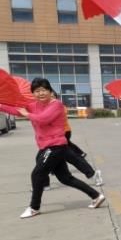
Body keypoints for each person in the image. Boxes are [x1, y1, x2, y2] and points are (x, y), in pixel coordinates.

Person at [0, 78, 105, 218]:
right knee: (65, 178)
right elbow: (16, 111)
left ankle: (34, 207)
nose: (41, 93)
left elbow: (44, 119)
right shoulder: (33, 105)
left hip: (55, 145)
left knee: (37, 174)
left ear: (50, 91)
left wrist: (27, 114)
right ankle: (96, 195)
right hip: (47, 146)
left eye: (44, 90)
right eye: (37, 91)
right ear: (33, 93)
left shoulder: (56, 105)